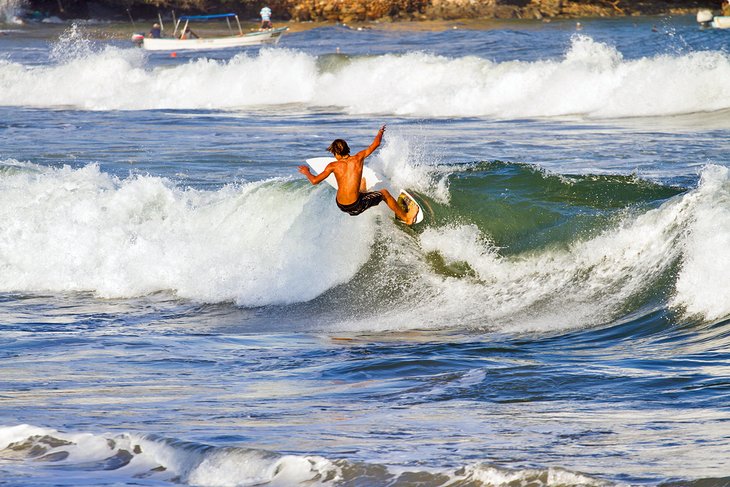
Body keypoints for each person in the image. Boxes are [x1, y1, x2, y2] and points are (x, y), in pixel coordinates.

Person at [298, 125, 419, 225]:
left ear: (336, 153)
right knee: (385, 193)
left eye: (333, 154)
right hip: (355, 206)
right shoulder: (358, 158)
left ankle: (362, 190)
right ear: (347, 149)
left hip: (340, 204)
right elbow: (376, 144)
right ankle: (406, 218)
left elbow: (314, 181)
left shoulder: (333, 166)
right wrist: (380, 132)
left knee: (360, 186)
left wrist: (306, 172)